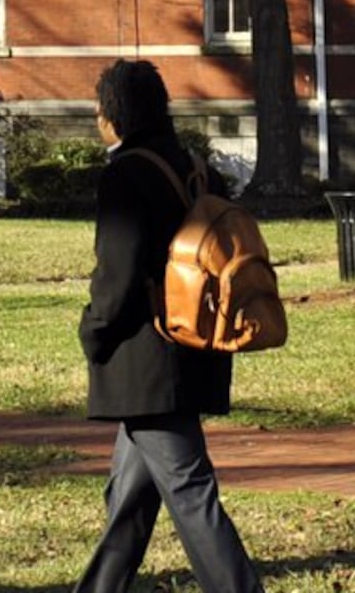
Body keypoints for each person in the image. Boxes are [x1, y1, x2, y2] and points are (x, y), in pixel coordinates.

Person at [75, 59, 263, 593]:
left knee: (190, 492)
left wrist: (93, 331)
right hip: (196, 343)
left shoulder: (125, 175)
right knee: (130, 500)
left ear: (114, 114)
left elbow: (117, 276)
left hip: (147, 363)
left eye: (99, 109)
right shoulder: (199, 170)